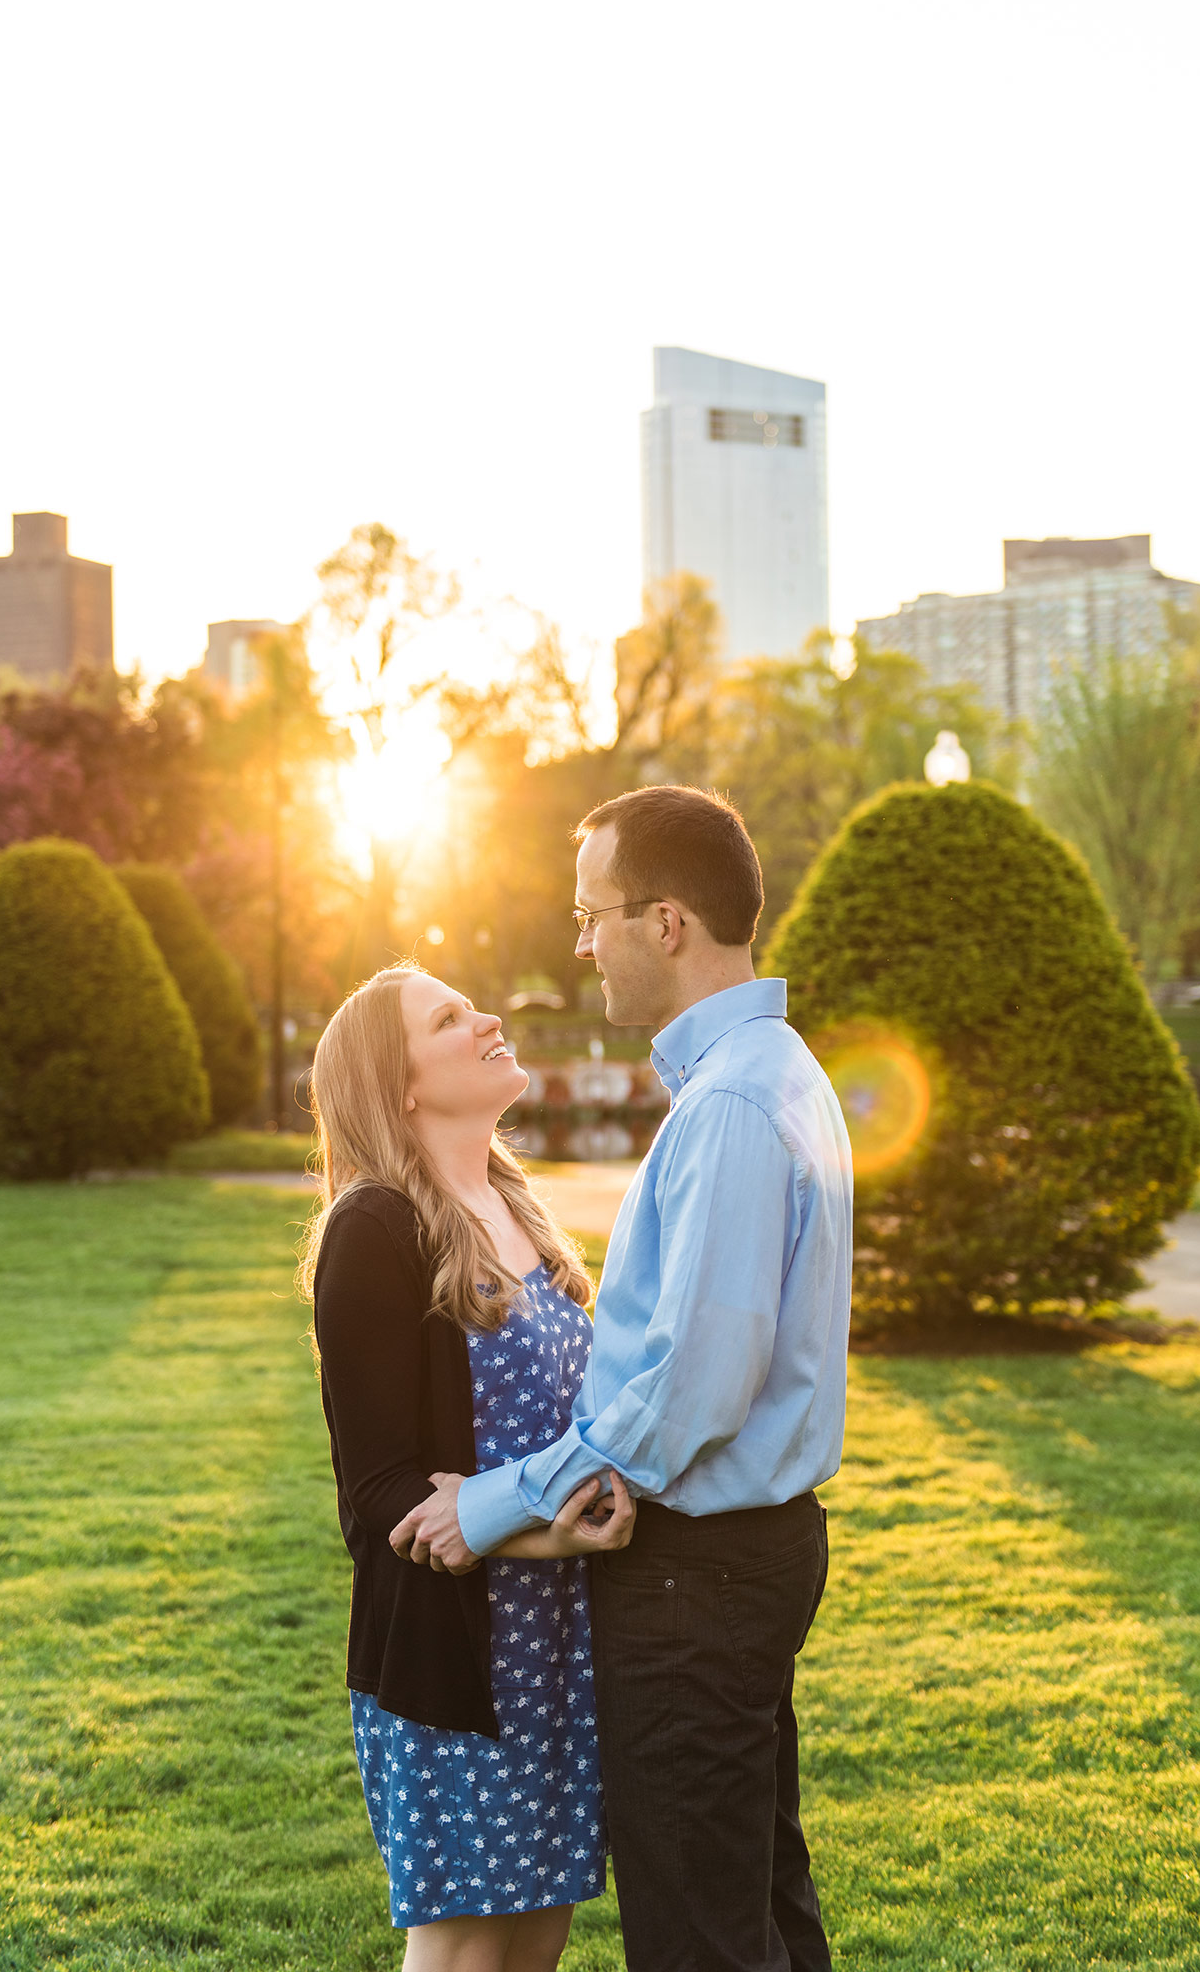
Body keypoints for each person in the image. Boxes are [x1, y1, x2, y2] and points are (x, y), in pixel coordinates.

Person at [394, 785, 855, 1972]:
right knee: (756, 1901)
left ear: (666, 922)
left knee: (700, 1933)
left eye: (591, 914)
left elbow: (683, 1393)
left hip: (694, 1583)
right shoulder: (766, 1072)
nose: (579, 941)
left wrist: (488, 1502)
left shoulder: (737, 1104)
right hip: (738, 1559)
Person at [300, 963, 636, 1972]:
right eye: (449, 1019)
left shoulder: (515, 1209)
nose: (487, 1016)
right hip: (457, 1657)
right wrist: (548, 1527)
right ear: (397, 1085)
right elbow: (380, 1499)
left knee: (535, 1935)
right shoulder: (373, 1228)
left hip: (558, 1649)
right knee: (459, 1950)